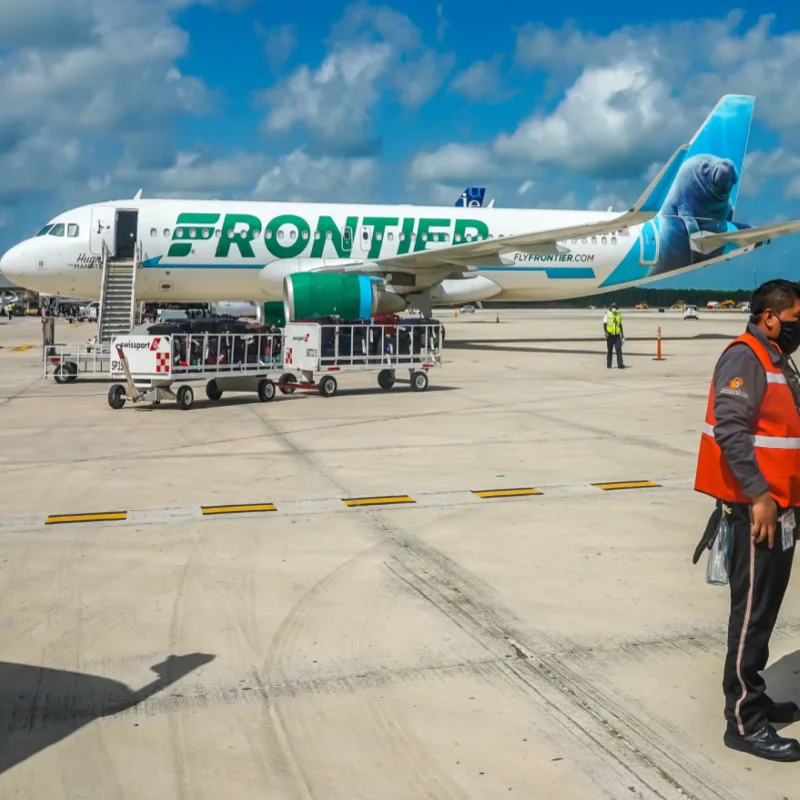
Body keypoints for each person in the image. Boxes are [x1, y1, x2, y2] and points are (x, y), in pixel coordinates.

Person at [694, 279, 800, 762]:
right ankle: (743, 722)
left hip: (780, 509)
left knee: (765, 613)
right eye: (797, 317)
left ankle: (753, 698)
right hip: (756, 512)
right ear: (770, 316)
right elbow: (730, 429)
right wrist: (759, 495)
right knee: (750, 618)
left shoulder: (776, 357)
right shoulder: (746, 356)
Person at [603, 302, 625, 369]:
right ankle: (609, 364)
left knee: (619, 349)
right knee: (610, 350)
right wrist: (605, 332)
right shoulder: (607, 314)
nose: (614, 309)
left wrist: (623, 335)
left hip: (617, 335)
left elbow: (620, 325)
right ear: (610, 308)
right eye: (613, 307)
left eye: (615, 307)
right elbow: (604, 324)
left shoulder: (618, 315)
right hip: (610, 335)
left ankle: (620, 364)